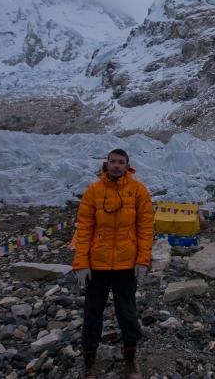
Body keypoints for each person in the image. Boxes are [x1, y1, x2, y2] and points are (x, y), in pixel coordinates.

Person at [73, 148, 154, 379]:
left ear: (128, 165)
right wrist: (81, 263)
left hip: (126, 264)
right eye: (112, 161)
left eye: (120, 162)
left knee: (127, 312)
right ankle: (89, 361)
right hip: (97, 264)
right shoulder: (94, 191)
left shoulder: (138, 191)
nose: (116, 165)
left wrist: (143, 259)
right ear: (106, 164)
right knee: (92, 312)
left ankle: (131, 359)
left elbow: (145, 228)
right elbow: (84, 228)